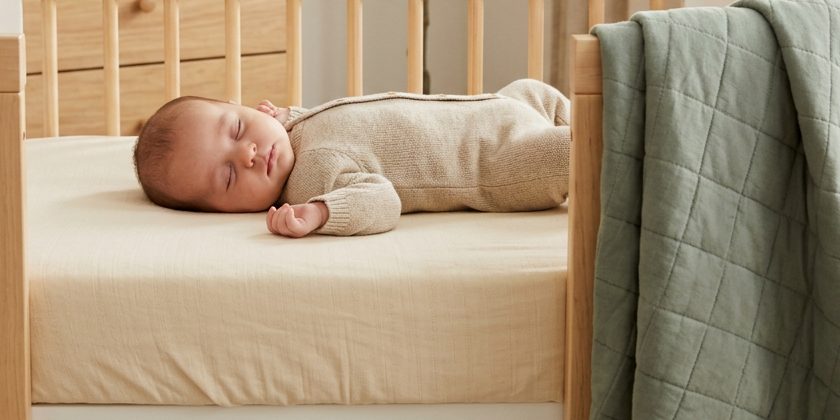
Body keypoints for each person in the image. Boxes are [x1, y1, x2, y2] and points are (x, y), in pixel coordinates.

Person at [132, 79, 571, 237]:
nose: (247, 153)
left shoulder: (291, 132)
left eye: (237, 128)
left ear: (248, 107)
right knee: (578, 149)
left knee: (535, 90)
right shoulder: (308, 183)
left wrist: (290, 116)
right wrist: (322, 213)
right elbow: (382, 200)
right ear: (221, 211)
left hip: (492, 107)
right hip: (495, 162)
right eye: (228, 176)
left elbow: (338, 122)